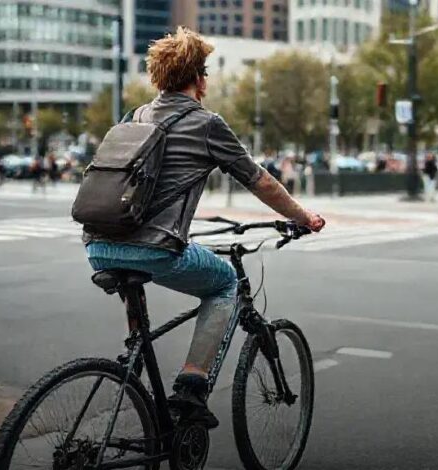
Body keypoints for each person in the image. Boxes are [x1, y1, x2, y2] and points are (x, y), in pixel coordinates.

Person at [82, 27, 325, 429]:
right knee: (225, 282)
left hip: (98, 244)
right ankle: (191, 388)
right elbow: (260, 181)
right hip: (154, 247)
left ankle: (134, 346)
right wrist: (304, 217)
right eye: (205, 73)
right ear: (199, 78)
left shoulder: (134, 117)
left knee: (134, 264)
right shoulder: (206, 123)